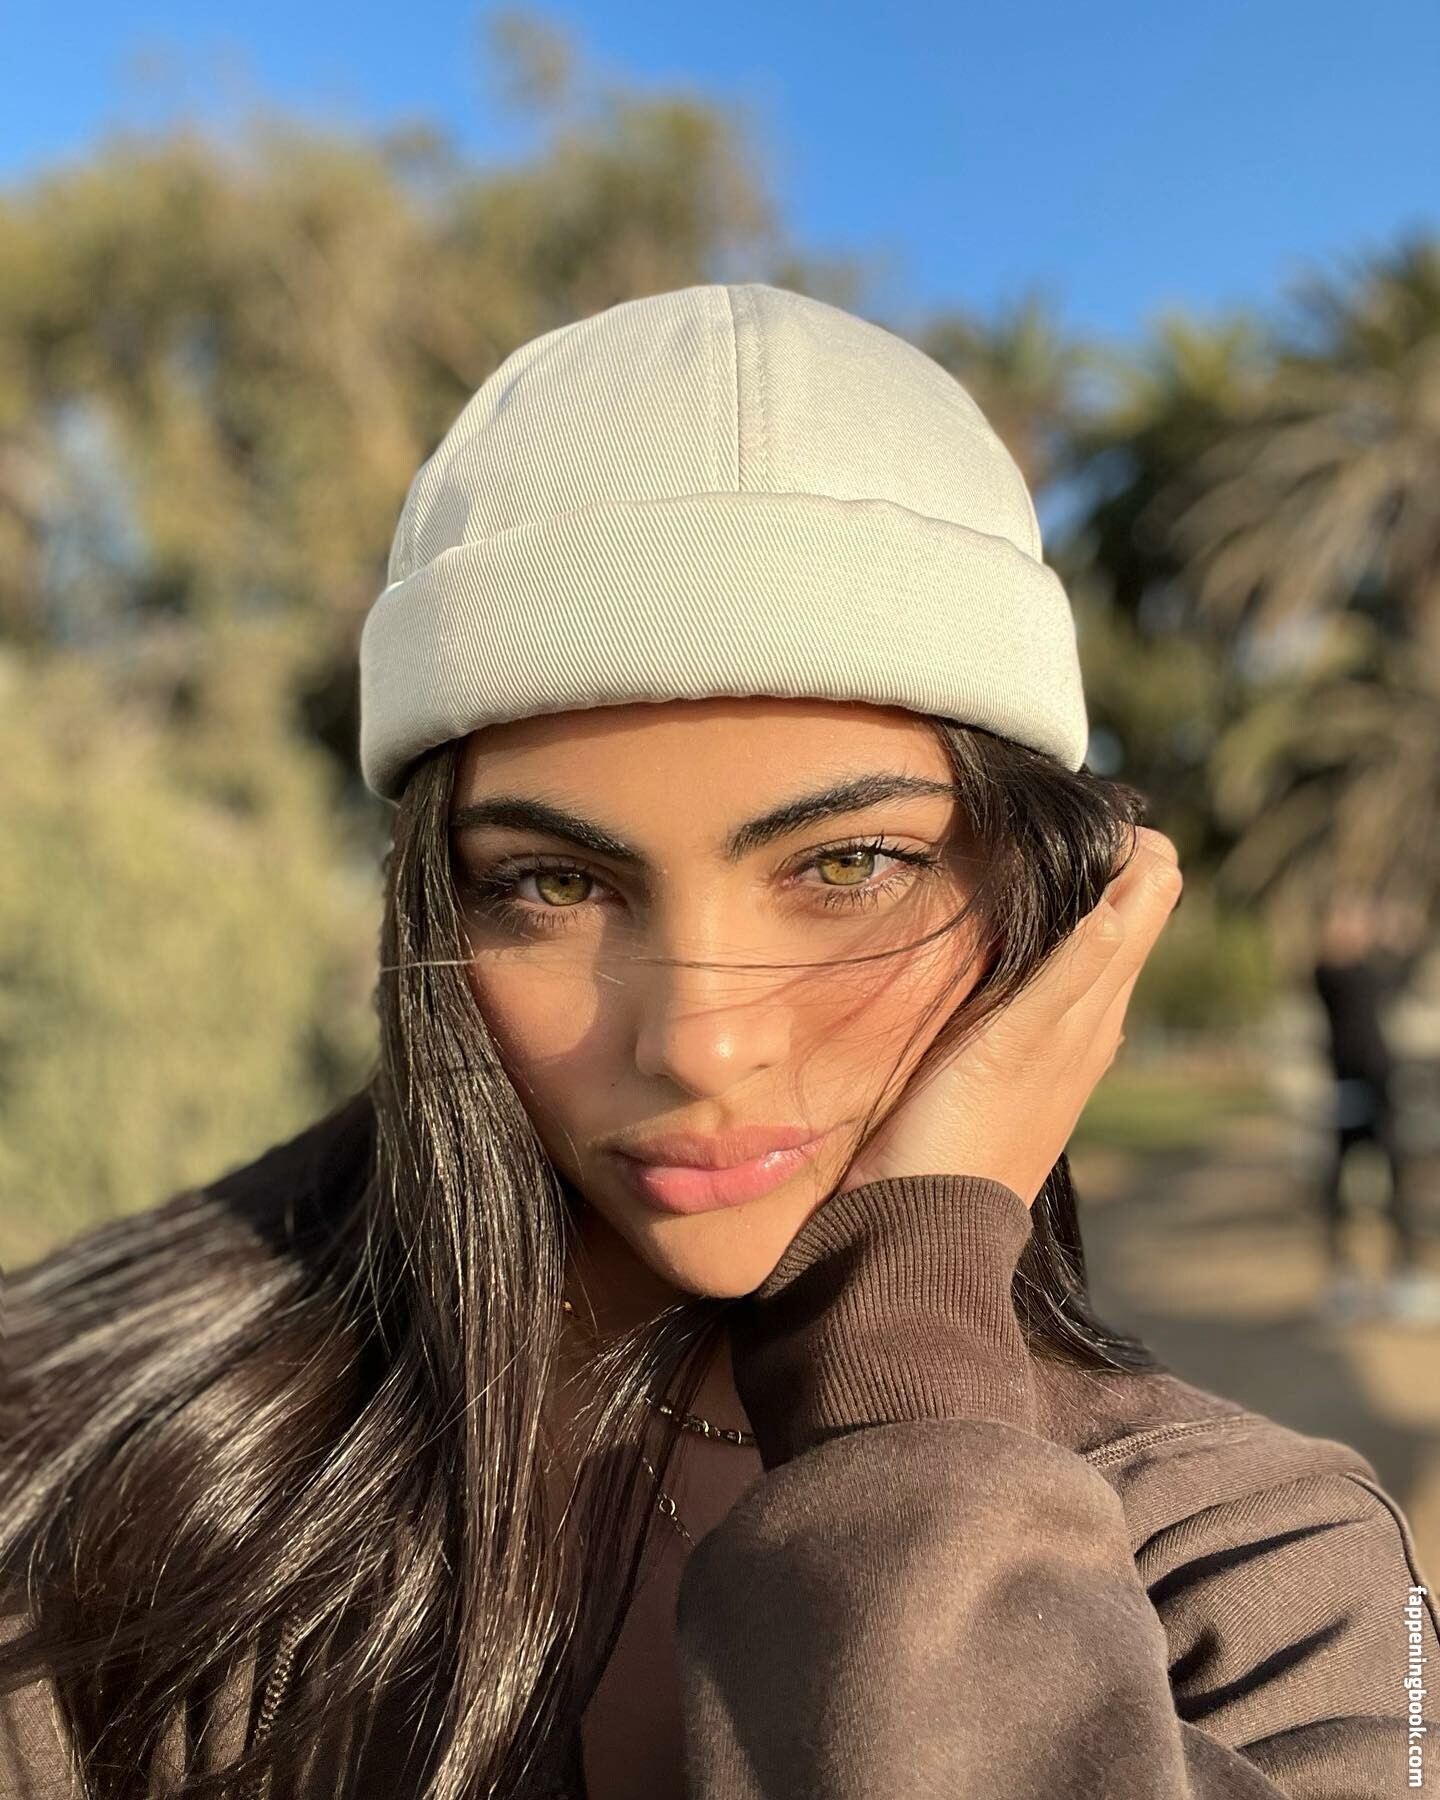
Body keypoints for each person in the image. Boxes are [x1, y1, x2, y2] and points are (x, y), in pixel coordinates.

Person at [2, 283, 1435, 1799]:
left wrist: (900, 1378)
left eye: (850, 866)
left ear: (1057, 903)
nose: (700, 1043)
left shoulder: (1258, 1576)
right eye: (553, 884)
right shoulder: (116, 1483)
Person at [1312, 889, 1439, 1326]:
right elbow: (1354, 969)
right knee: (1339, 1191)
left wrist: (1399, 932)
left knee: (1398, 1185)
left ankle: (1405, 1278)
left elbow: (1405, 967)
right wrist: (1375, 935)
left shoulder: (1373, 972)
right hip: (1349, 1092)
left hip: (1381, 1093)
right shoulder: (1329, 972)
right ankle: (1344, 1282)